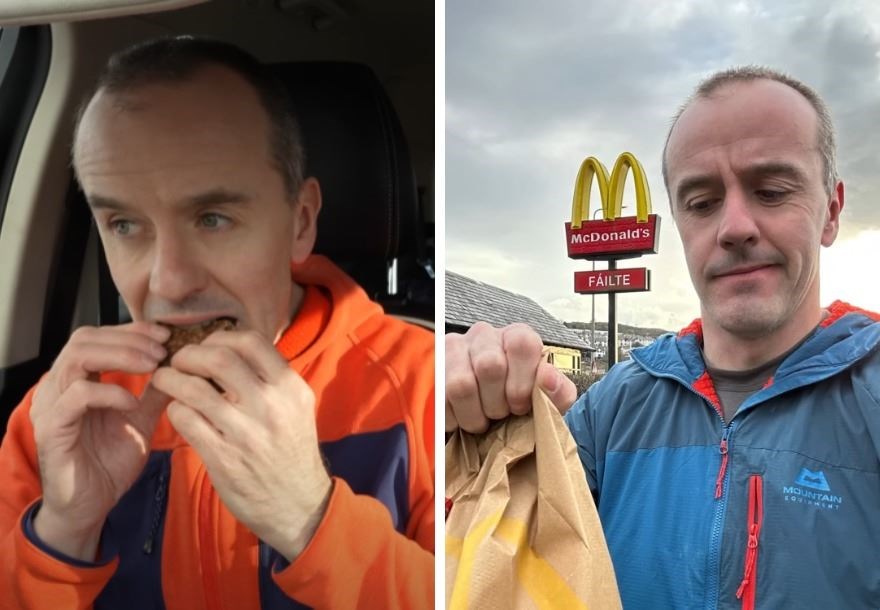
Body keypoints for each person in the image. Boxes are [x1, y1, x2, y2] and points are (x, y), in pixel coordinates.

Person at [0, 37, 434, 609]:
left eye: (212, 218)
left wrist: (312, 520)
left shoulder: (424, 391)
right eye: (125, 225)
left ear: (300, 222)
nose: (168, 282)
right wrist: (64, 530)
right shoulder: (55, 416)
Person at [446, 67, 880, 609]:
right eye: (701, 202)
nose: (734, 226)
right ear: (678, 220)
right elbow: (489, 562)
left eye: (771, 191)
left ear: (832, 212)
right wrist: (459, 430)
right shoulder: (612, 410)